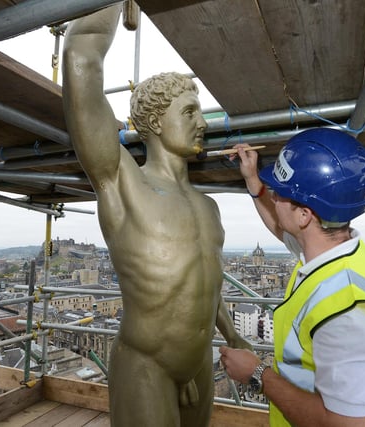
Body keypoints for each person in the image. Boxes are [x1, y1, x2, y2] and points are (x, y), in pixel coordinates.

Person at [61, 5, 251, 426]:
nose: (203, 123)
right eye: (189, 112)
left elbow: (206, 281)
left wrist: (233, 334)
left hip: (200, 363)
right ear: (155, 122)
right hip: (146, 365)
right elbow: (80, 57)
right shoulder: (121, 179)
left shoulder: (208, 206)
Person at [219, 128, 365, 427]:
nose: (274, 197)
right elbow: (282, 228)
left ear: (305, 215)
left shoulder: (348, 315)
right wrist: (253, 179)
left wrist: (256, 374)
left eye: (280, 192)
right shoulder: (337, 253)